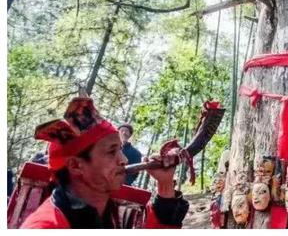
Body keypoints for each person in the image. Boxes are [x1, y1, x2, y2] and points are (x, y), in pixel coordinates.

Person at [21, 97, 189, 229]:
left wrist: (165, 183)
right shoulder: (46, 227)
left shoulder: (120, 214)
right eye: (111, 151)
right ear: (75, 165)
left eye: (121, 150)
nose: (124, 160)